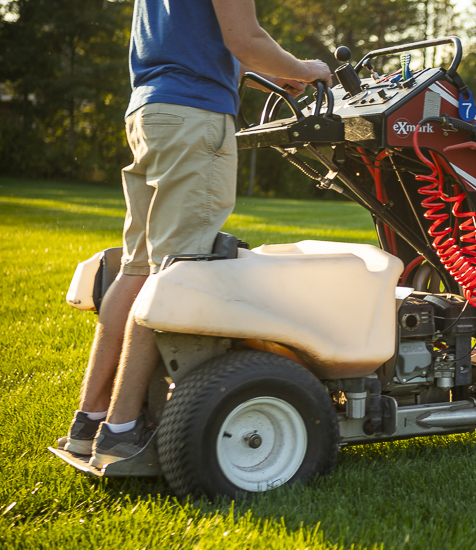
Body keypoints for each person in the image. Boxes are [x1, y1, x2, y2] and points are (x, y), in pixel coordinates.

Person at [59, 0, 333, 467]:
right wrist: (309, 68)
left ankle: (90, 421)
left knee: (139, 269)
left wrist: (269, 73)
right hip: (193, 117)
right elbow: (244, 38)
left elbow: (201, 45)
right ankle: (122, 432)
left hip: (152, 111)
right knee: (176, 274)